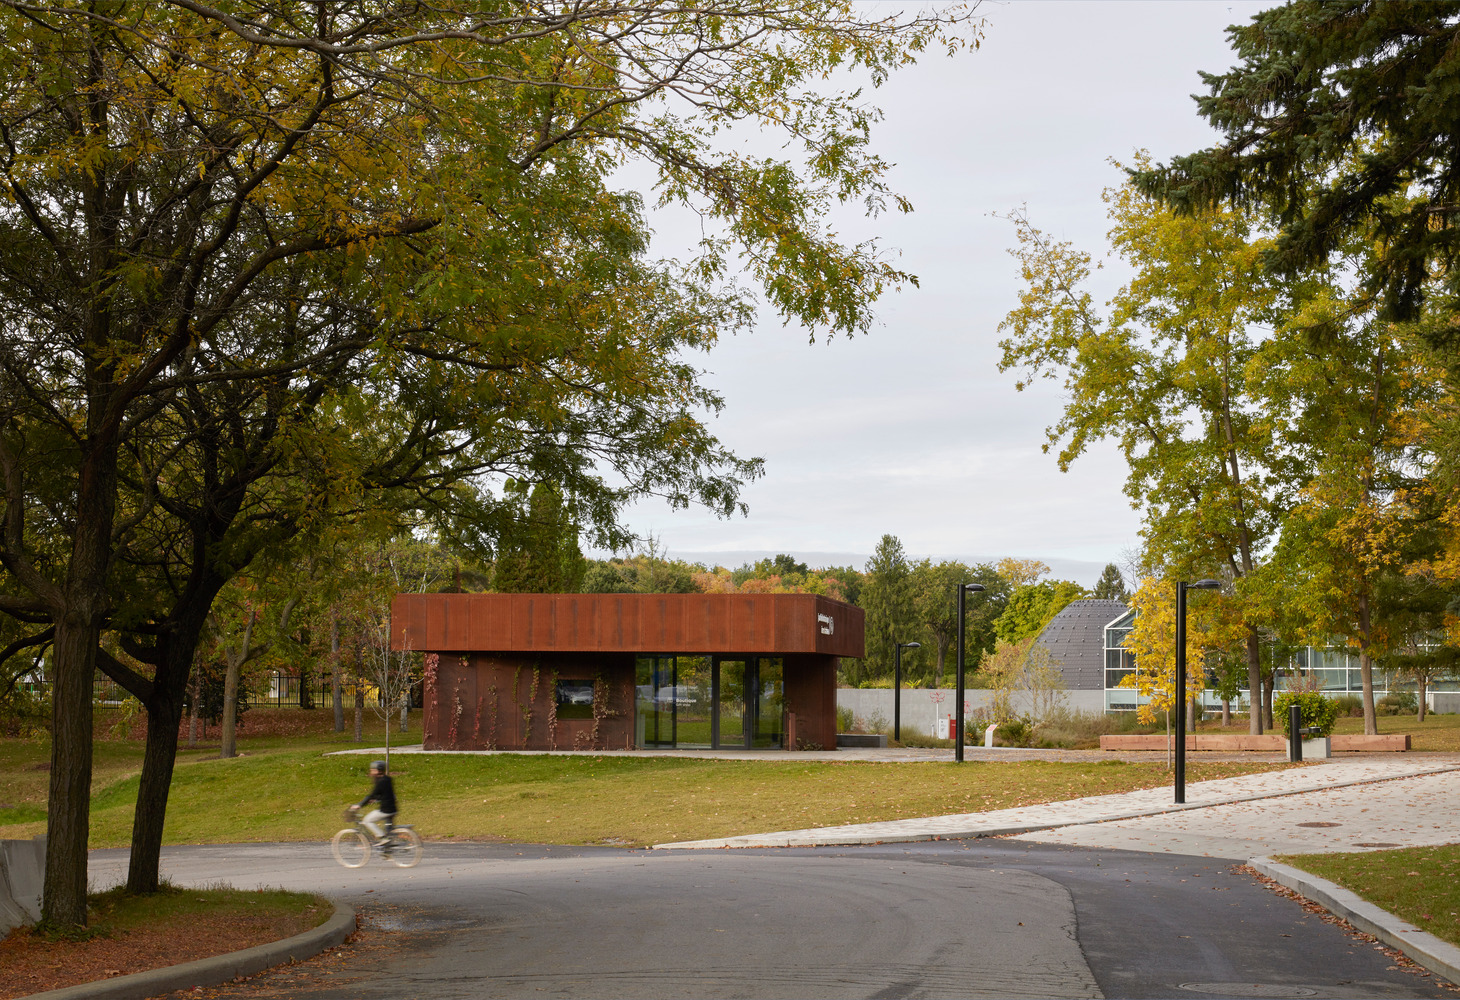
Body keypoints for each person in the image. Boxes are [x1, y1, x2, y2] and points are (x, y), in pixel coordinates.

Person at [354, 760, 398, 845]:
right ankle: (386, 850)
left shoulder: (380, 782)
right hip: (393, 808)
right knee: (388, 830)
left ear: (378, 770)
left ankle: (382, 838)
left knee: (367, 820)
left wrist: (360, 805)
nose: (371, 771)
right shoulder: (388, 779)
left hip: (385, 810)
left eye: (373, 770)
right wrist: (377, 799)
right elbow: (385, 793)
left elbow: (372, 795)